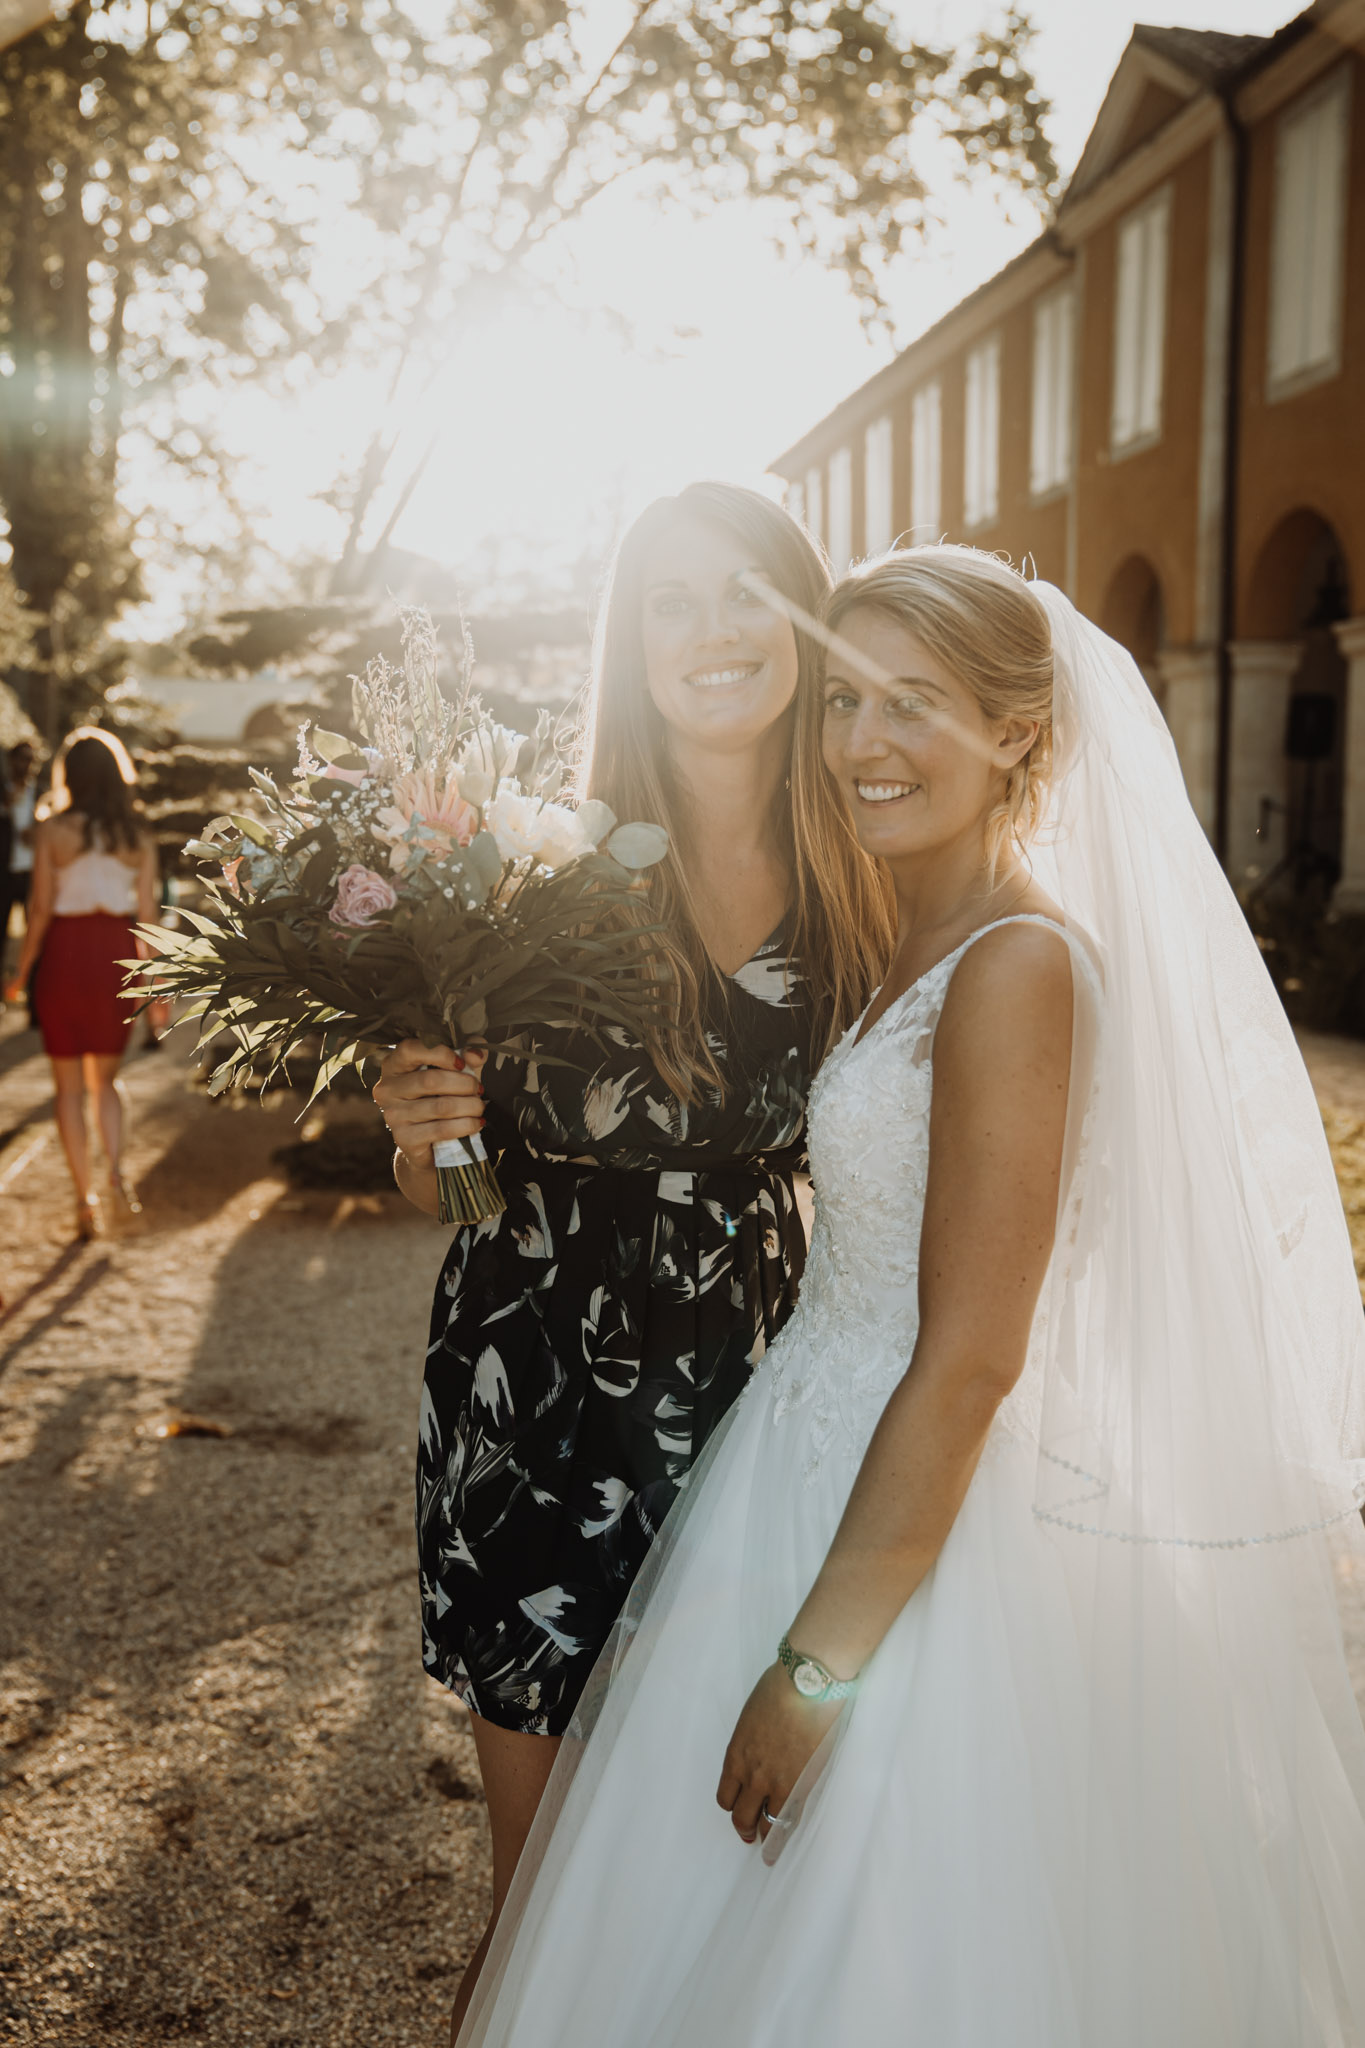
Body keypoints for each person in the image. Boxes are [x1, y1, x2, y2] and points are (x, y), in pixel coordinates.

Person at [450, 545, 1365, 2048]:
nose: (864, 745)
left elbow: (972, 1359)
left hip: (918, 1523)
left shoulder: (1017, 967)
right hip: (795, 1454)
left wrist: (818, 1669)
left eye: (916, 706)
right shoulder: (892, 943)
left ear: (1020, 733)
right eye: (849, 700)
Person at [373, 481, 893, 2032]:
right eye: (674, 599)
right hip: (529, 1401)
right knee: (546, 1899)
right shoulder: (535, 873)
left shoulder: (865, 879)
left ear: (801, 624)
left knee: (726, 1881)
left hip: (758, 1405)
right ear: (631, 640)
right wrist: (423, 1130)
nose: (717, 630)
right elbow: (452, 1190)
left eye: (750, 593)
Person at [3, 727, 159, 1238]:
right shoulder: (138, 834)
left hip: (66, 958)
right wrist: (156, 990)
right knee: (106, 1083)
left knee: (67, 1089)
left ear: (69, 774)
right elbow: (148, 920)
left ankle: (84, 1200)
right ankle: (116, 1174)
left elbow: (42, 910)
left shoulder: (52, 831)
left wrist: (21, 973)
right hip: (116, 959)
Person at [2, 740, 38, 948]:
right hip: (5, 873)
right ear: (12, 760)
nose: (27, 765)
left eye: (31, 760)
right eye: (23, 759)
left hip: (30, 873)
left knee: (34, 931)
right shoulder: (3, 791)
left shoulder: (40, 793)